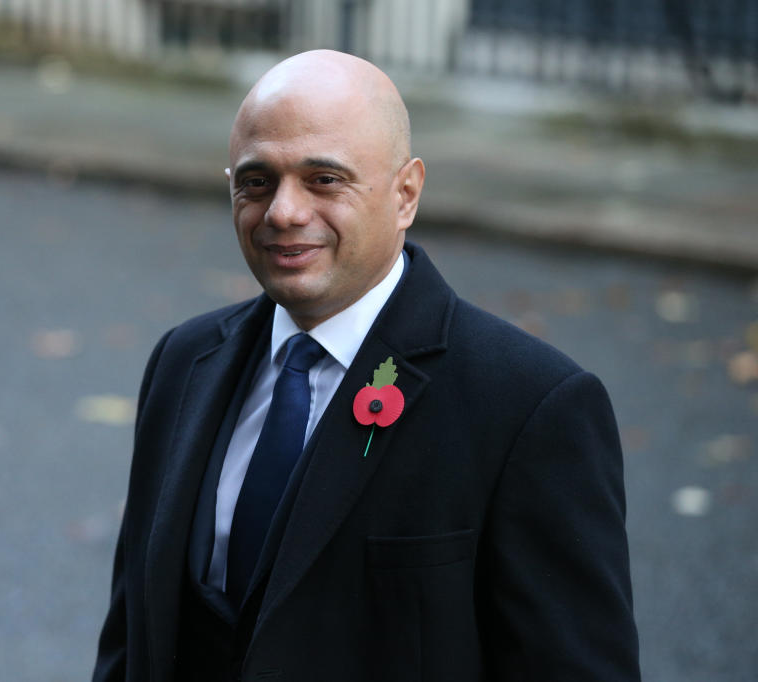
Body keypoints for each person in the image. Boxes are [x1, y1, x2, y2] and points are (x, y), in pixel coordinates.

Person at [92, 50, 640, 681]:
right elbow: (132, 638)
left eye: (324, 179)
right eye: (256, 180)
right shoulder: (183, 362)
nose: (283, 212)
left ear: (405, 194)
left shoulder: (531, 407)